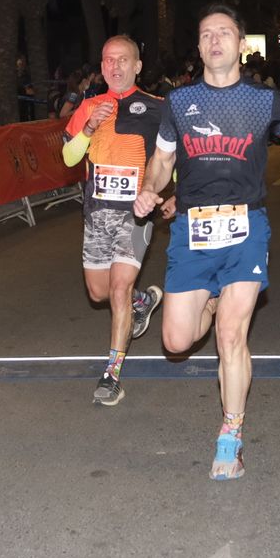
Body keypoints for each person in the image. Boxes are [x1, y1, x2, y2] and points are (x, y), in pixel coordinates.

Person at [133, 4, 280, 481]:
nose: (214, 40)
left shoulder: (265, 101)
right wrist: (148, 189)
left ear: (242, 44)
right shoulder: (177, 103)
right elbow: (161, 162)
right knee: (177, 342)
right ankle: (214, 302)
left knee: (231, 336)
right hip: (192, 229)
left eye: (224, 33)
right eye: (206, 34)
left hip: (246, 226)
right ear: (198, 47)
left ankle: (231, 435)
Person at [62, 36, 167, 406]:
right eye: (109, 60)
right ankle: (142, 302)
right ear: (101, 66)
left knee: (118, 290)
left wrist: (167, 197)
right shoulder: (89, 106)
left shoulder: (157, 108)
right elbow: (69, 159)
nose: (115, 66)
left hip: (134, 215)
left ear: (137, 66)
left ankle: (111, 374)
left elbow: (171, 161)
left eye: (124, 60)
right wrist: (89, 128)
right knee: (99, 292)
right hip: (96, 214)